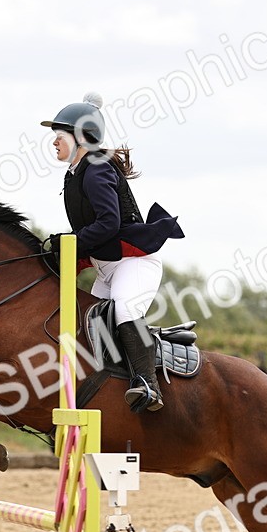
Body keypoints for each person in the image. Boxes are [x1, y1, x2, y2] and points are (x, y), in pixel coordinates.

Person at [41, 92, 184, 413]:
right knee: (87, 321)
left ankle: (148, 385)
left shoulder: (96, 169)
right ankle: (105, 384)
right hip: (107, 267)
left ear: (81, 138)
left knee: (124, 311)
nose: (54, 142)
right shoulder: (75, 173)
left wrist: (71, 241)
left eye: (60, 135)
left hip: (134, 263)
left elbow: (109, 223)